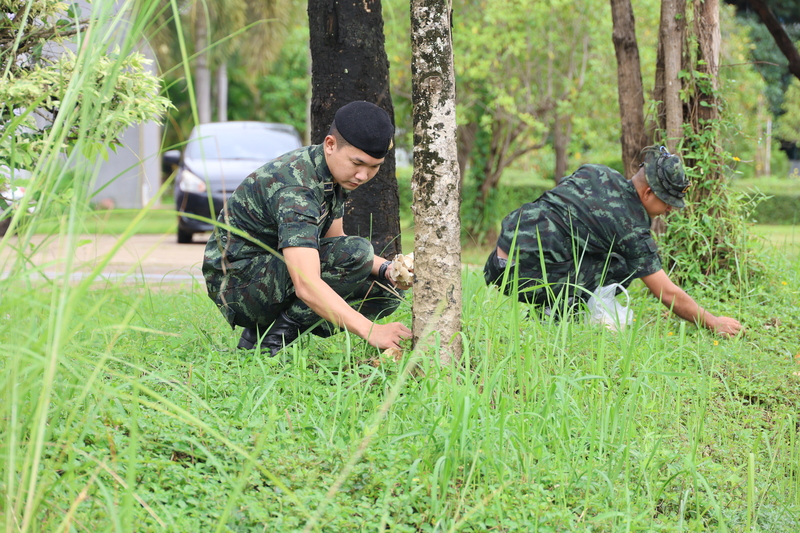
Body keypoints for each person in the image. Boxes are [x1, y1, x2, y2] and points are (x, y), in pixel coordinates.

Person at [203, 101, 412, 356]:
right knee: (358, 252)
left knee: (384, 292)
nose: (362, 175)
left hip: (270, 272)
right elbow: (306, 282)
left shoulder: (333, 174)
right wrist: (371, 331)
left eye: (374, 167)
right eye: (357, 163)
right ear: (330, 144)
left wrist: (388, 270)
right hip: (238, 285)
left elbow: (335, 241)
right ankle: (269, 343)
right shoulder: (297, 188)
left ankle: (268, 331)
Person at [483, 146, 743, 337]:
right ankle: (560, 313)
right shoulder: (631, 228)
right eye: (668, 202)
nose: (670, 210)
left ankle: (560, 302)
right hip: (520, 276)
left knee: (599, 249)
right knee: (623, 264)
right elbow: (666, 291)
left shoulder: (595, 171)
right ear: (649, 192)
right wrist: (713, 321)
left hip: (497, 261)